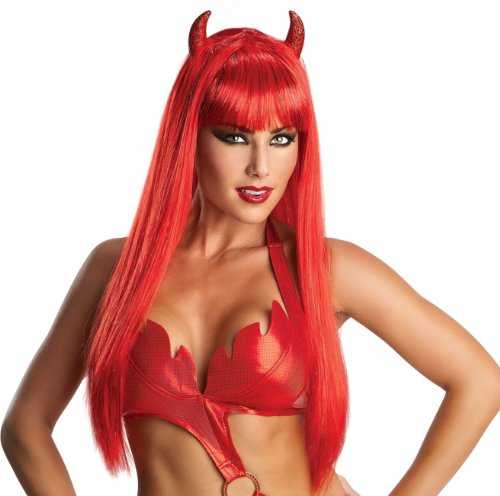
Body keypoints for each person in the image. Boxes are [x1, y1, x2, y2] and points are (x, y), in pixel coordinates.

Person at [2, 9, 499, 496]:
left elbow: (479, 381)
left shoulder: (326, 269)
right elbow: (26, 427)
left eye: (281, 138)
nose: (261, 166)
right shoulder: (117, 268)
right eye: (235, 137)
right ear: (189, 136)